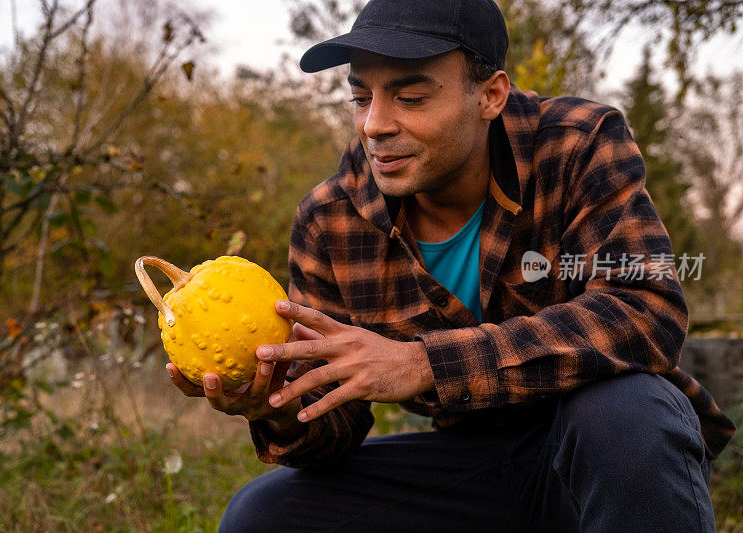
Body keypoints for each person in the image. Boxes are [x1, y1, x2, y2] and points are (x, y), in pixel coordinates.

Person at [166, 0, 736, 530]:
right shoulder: (331, 220)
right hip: (475, 463)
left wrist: (425, 364)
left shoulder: (577, 144)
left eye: (410, 98)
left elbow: (644, 310)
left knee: (626, 412)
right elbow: (330, 428)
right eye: (362, 97)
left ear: (491, 95)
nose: (375, 125)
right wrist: (276, 407)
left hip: (608, 449)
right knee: (262, 515)